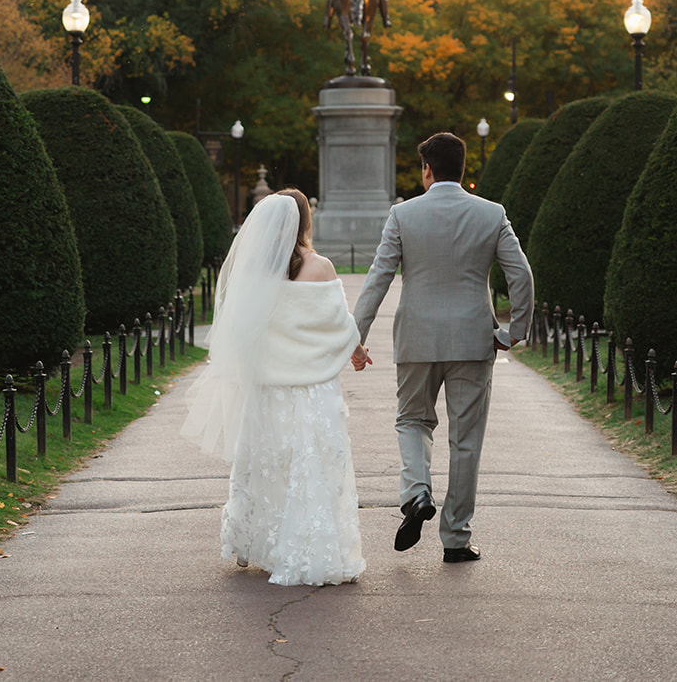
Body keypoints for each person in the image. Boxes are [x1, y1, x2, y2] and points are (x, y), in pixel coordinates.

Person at [350, 132, 534, 563]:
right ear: (463, 169)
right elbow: (521, 274)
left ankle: (416, 493)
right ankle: (456, 539)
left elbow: (378, 276)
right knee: (466, 441)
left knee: (412, 420)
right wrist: (515, 331)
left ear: (427, 170)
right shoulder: (492, 214)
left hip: (416, 338)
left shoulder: (403, 215)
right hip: (474, 340)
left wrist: (356, 336)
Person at [180, 189, 366, 586]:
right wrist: (357, 350)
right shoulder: (321, 267)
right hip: (312, 388)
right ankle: (310, 550)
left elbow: (239, 331)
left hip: (268, 389)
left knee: (267, 466)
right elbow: (337, 322)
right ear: (305, 221)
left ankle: (260, 543)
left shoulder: (253, 274)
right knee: (310, 467)